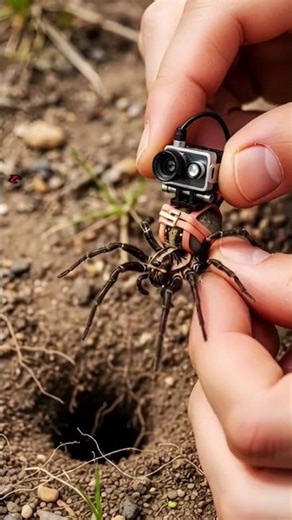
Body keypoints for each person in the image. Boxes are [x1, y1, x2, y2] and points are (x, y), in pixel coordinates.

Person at [136, 1, 292, 518]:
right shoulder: (161, 252)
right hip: (180, 237)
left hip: (202, 241)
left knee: (218, 270)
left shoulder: (205, 252)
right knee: (122, 259)